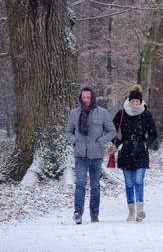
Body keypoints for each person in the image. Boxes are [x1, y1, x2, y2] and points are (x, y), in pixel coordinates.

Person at [66, 87, 115, 224]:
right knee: (80, 183)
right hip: (80, 154)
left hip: (97, 155)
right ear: (80, 98)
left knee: (95, 185)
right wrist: (74, 141)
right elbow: (68, 131)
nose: (86, 100)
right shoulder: (75, 113)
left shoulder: (102, 113)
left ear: (92, 98)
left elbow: (112, 131)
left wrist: (101, 141)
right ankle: (78, 213)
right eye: (84, 97)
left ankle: (94, 214)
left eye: (88, 97)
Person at [112, 84, 158, 222]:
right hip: (125, 151)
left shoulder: (146, 114)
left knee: (138, 180)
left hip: (140, 151)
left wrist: (146, 144)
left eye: (137, 101)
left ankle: (140, 210)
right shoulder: (121, 114)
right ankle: (131, 212)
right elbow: (110, 131)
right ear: (129, 101)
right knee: (129, 183)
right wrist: (118, 144)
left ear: (141, 102)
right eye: (133, 101)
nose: (135, 103)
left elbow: (153, 133)